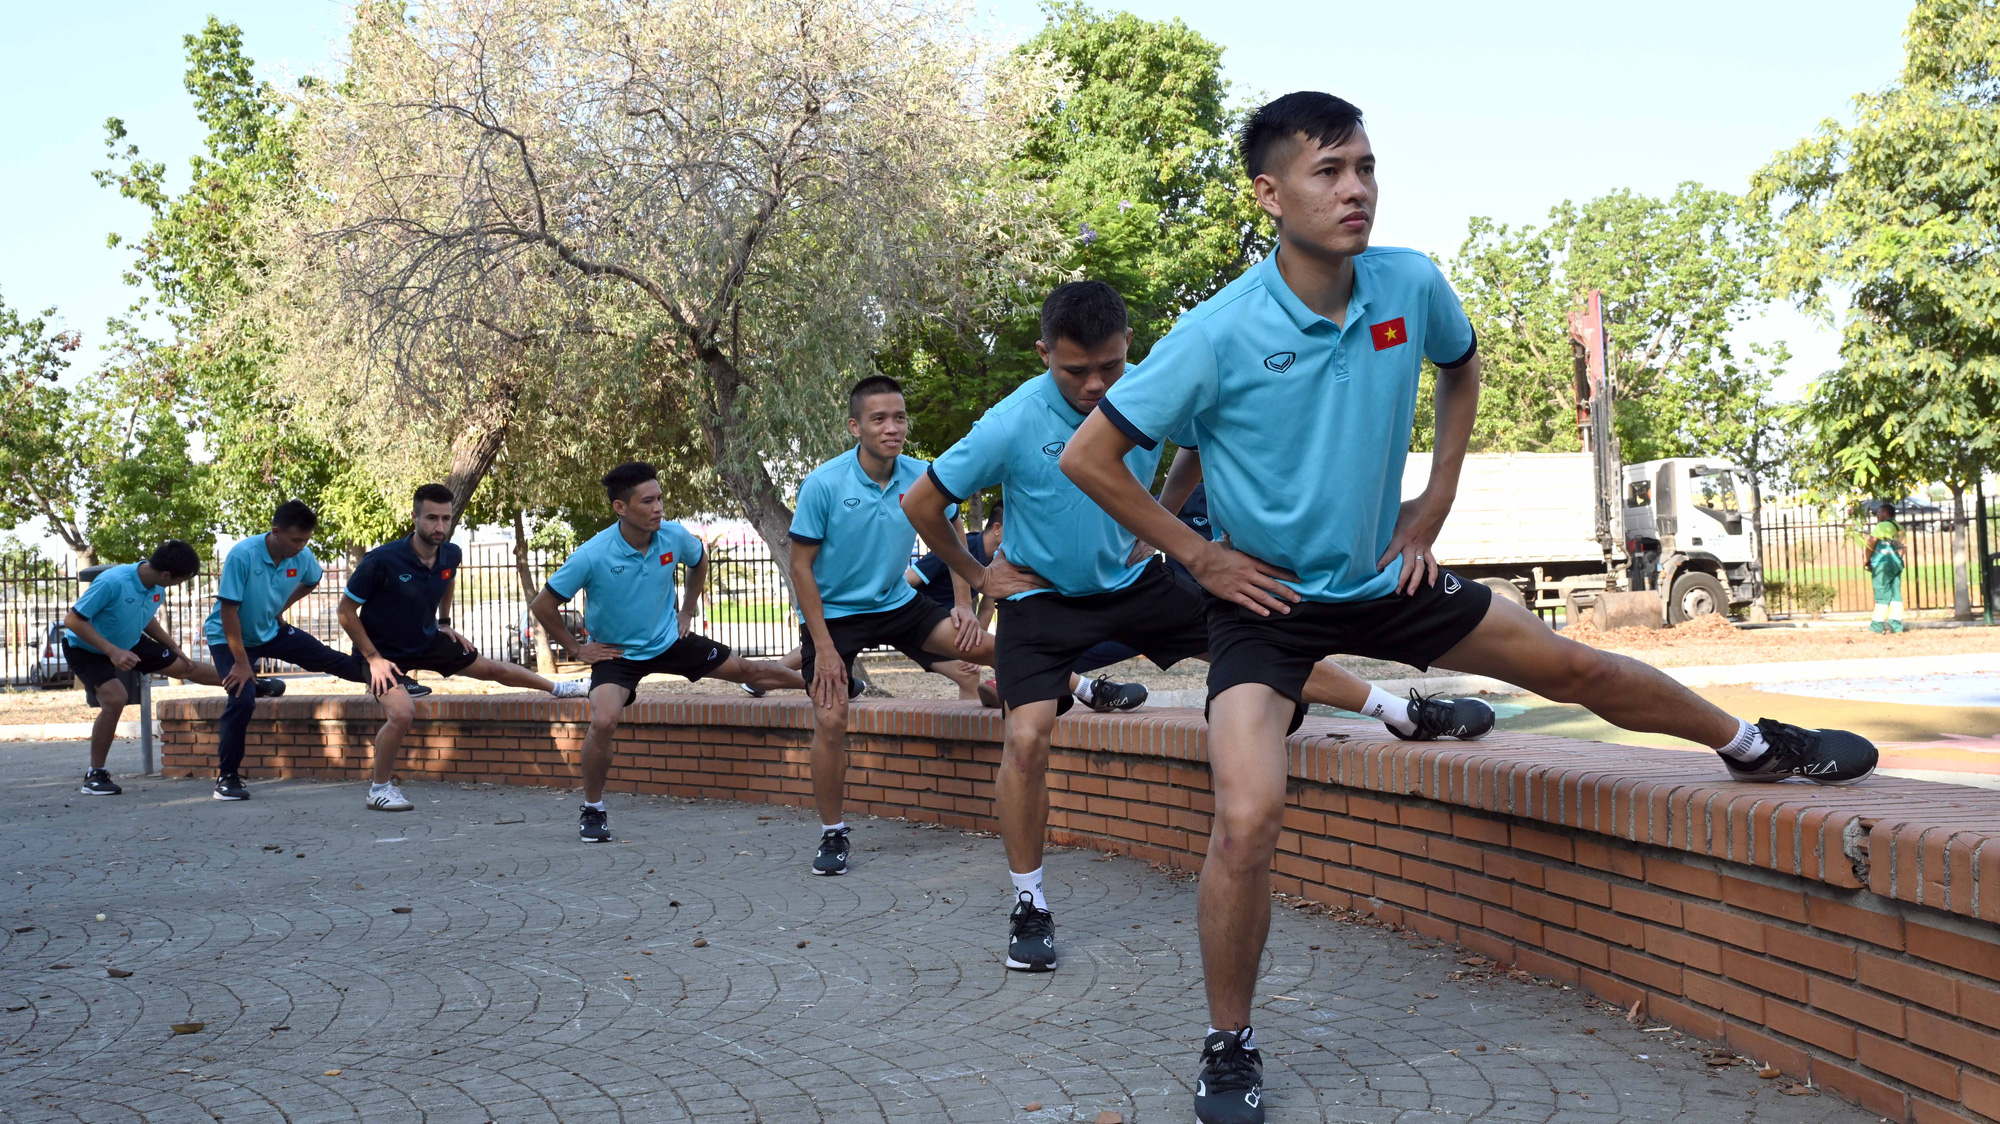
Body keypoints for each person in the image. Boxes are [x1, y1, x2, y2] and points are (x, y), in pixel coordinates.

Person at [1057, 93, 1881, 1124]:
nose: (1354, 187)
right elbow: (1088, 456)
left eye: (1362, 165)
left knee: (1575, 666)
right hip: (1267, 609)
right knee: (1244, 816)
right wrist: (1200, 558)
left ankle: (1753, 743)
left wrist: (1433, 500)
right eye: (1327, 172)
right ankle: (1229, 1043)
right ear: (1268, 194)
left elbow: (1459, 363)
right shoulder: (1216, 331)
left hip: (1386, 575)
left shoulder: (1407, 281)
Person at [905, 280, 1494, 977]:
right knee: (1027, 737)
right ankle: (1029, 903)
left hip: (1137, 583)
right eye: (1075, 371)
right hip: (1044, 600)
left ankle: (1400, 711)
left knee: (1265, 633)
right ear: (1044, 355)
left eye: (1110, 367)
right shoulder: (1011, 421)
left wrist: (1158, 522)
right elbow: (923, 501)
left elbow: (1193, 444)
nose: (1096, 385)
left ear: (1129, 350)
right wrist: (976, 577)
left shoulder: (1152, 388)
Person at [788, 376, 999, 876]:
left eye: (899, 417)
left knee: (991, 648)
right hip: (836, 616)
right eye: (879, 419)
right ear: (855, 426)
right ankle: (833, 834)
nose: (892, 428)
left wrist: (964, 604)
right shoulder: (824, 483)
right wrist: (826, 647)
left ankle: (1082, 686)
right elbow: (800, 568)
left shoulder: (921, 476)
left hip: (898, 603)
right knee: (832, 718)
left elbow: (951, 535)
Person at [531, 462, 805, 843]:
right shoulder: (592, 555)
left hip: (669, 641)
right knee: (605, 720)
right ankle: (593, 810)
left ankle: (826, 685)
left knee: (748, 671)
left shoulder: (673, 536)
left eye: (660, 498)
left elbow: (699, 561)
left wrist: (688, 610)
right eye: (648, 501)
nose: (658, 507)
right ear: (621, 508)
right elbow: (543, 604)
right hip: (618, 656)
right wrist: (577, 647)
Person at [340, 483, 592, 812]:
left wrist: (444, 623)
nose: (440, 527)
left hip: (426, 640)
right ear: (414, 516)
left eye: (446, 519)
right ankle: (380, 788)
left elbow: (448, 578)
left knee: (493, 668)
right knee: (402, 713)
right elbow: (345, 612)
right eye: (431, 518)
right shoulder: (382, 560)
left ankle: (560, 688)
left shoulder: (450, 553)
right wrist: (373, 659)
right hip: (380, 653)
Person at [206, 500, 377, 802]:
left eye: (306, 540)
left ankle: (392, 679)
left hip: (271, 632)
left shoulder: (303, 556)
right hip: (228, 637)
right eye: (296, 540)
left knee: (328, 657)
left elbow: (312, 580)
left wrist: (278, 609)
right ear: (275, 532)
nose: (301, 546)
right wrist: (243, 664)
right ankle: (227, 777)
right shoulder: (242, 556)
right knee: (242, 700)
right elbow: (228, 611)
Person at [61, 541, 256, 795]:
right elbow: (73, 620)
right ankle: (95, 775)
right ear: (166, 575)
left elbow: (145, 616)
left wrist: (172, 645)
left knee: (186, 667)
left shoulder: (155, 585)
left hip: (130, 641)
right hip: (86, 647)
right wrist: (112, 651)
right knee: (115, 698)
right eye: (180, 580)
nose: (179, 584)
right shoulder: (113, 582)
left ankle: (250, 684)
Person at [1866, 502, 1905, 634]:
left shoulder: (1882, 526)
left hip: (1882, 563)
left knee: (1881, 595)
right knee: (1895, 595)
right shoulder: (1899, 527)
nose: (1877, 515)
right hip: (1896, 564)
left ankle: (1876, 627)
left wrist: (1867, 559)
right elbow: (1902, 547)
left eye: (1879, 512)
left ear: (1885, 513)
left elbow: (1871, 541)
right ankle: (1896, 626)